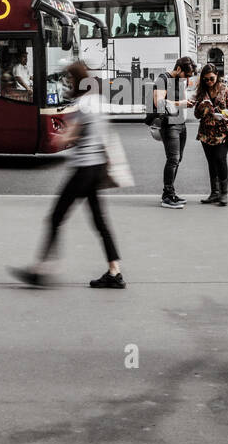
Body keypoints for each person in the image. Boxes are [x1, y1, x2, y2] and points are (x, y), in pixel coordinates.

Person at [10, 60, 124, 289]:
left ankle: (42, 270)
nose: (68, 82)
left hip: (83, 169)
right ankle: (115, 272)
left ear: (77, 80)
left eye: (70, 79)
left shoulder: (82, 105)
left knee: (55, 218)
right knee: (100, 222)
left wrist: (62, 134)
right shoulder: (98, 101)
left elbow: (65, 138)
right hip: (97, 167)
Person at [152, 55, 196, 209]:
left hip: (180, 124)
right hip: (169, 125)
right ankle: (166, 196)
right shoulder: (162, 79)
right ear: (178, 69)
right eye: (186, 75)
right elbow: (159, 103)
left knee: (178, 159)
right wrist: (181, 103)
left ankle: (171, 192)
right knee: (172, 159)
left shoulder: (179, 81)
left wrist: (188, 103)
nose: (187, 79)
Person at [194, 64, 228, 206]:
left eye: (211, 79)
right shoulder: (201, 92)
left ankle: (224, 193)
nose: (208, 82)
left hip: (222, 131)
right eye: (205, 79)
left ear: (217, 76)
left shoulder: (226, 91)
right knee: (211, 163)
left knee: (220, 159)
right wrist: (201, 108)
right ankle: (214, 193)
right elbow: (196, 115)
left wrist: (223, 114)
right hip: (206, 132)